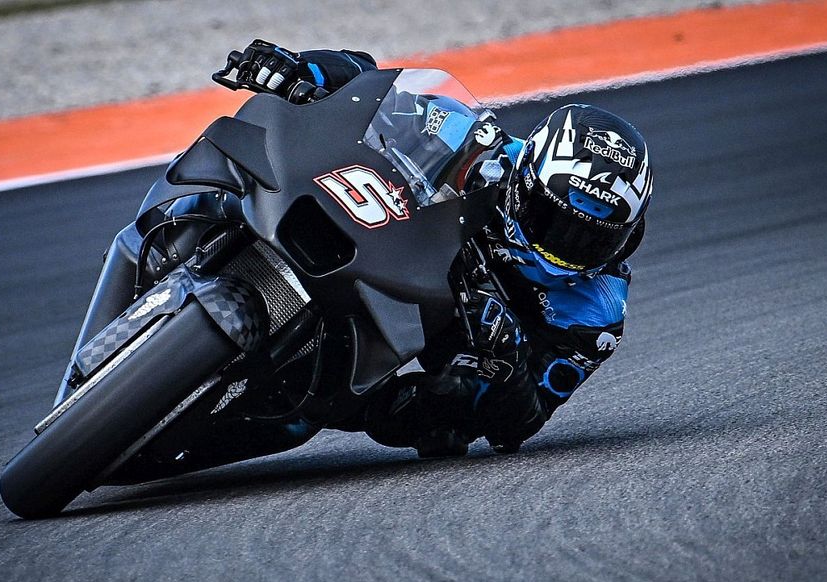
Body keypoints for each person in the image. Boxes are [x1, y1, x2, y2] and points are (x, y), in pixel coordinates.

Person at [213, 40, 654, 459]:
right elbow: (368, 86)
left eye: (590, 239)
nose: (564, 247)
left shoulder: (596, 315)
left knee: (446, 424)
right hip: (389, 230)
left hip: (448, 329)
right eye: (553, 222)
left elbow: (523, 421)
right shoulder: (483, 147)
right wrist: (301, 70)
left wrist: (510, 352)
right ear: (525, 183)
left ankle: (302, 394)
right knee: (255, 159)